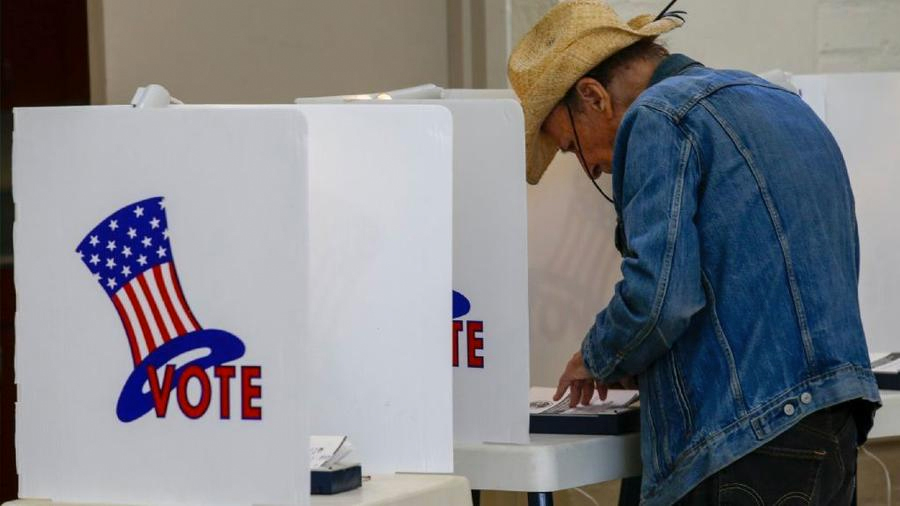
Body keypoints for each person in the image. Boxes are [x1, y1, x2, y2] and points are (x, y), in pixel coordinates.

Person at [508, 1, 881, 504]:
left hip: (743, 441)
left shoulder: (659, 117)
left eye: (573, 147)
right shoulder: (785, 104)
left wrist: (595, 355)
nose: (592, 168)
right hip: (833, 422)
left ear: (593, 97)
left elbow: (660, 298)